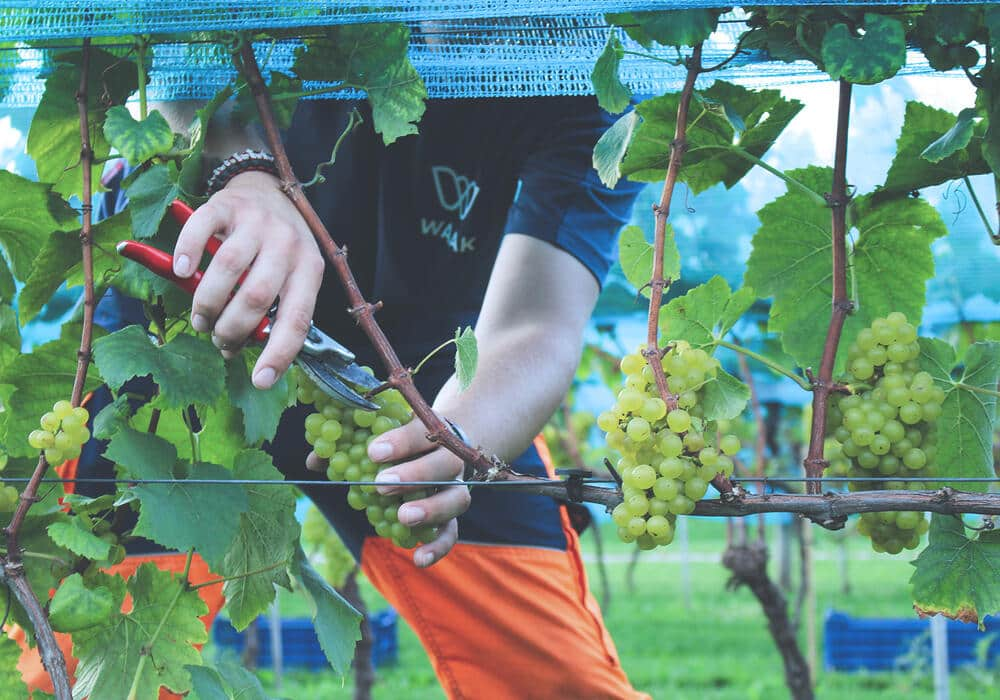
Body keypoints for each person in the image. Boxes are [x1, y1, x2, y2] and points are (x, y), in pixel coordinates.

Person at [24, 94, 649, 699]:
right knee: (77, 671)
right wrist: (240, 168)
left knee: (557, 683)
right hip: (187, 323)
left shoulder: (596, 72)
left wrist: (459, 438)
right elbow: (171, 40)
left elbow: (537, 323)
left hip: (425, 389)